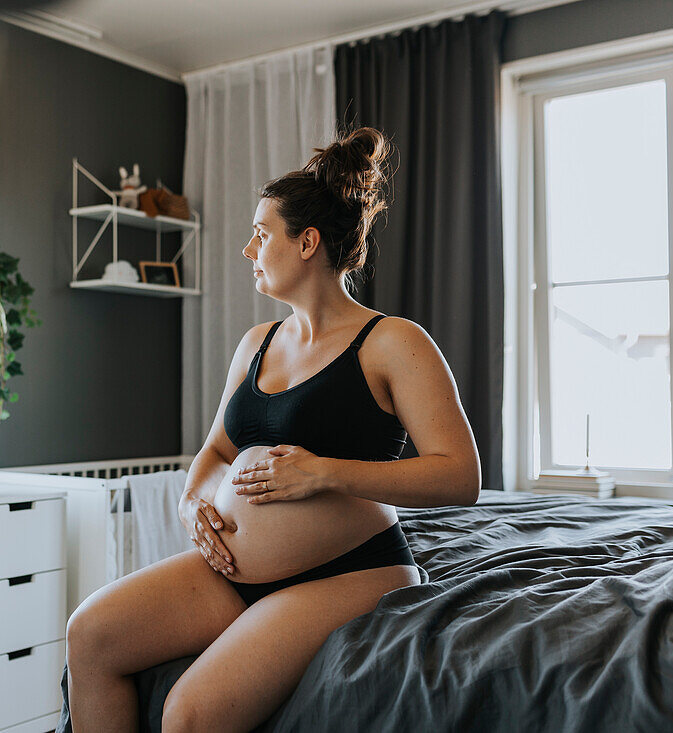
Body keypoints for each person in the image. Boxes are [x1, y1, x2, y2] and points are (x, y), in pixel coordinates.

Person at [63, 125, 482, 732]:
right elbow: (215, 451)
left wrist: (323, 473)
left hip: (351, 571)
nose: (248, 248)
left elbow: (460, 475)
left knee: (188, 714)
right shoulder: (256, 344)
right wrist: (191, 504)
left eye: (261, 234)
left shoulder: (393, 342)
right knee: (91, 636)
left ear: (307, 242)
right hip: (232, 573)